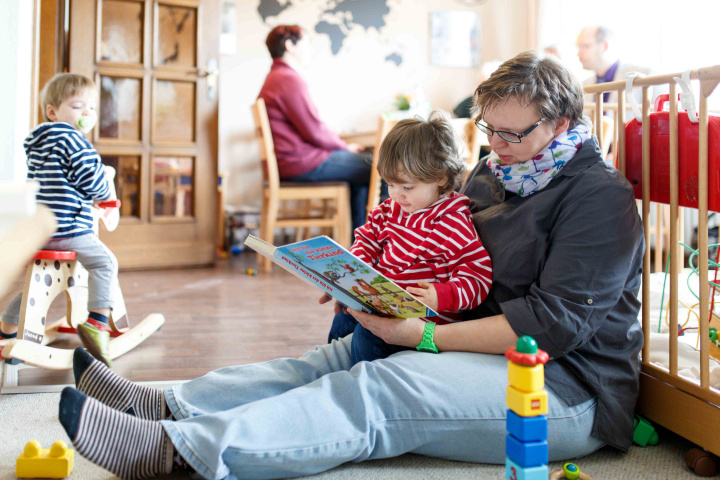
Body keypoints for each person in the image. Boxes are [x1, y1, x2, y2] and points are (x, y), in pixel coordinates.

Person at [57, 51, 644, 480]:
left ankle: (182, 450)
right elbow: (432, 233)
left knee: (379, 386)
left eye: (512, 133)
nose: (497, 146)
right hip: (476, 344)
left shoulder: (597, 196)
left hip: (564, 388)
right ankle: (164, 404)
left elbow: (553, 324)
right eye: (489, 129)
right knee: (334, 358)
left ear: (561, 125)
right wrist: (362, 282)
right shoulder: (497, 171)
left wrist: (430, 337)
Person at [324, 111, 492, 364]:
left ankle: (362, 386)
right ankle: (334, 371)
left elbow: (478, 277)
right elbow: (366, 242)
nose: (396, 195)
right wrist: (349, 279)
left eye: (407, 187)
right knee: (344, 317)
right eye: (390, 185)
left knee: (367, 339)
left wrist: (440, 295)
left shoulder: (453, 223)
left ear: (441, 178)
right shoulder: (388, 211)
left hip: (420, 327)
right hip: (383, 306)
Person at [0, 73, 117, 367]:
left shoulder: (36, 142)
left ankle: (7, 329)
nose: (87, 113)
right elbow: (93, 179)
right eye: (78, 106)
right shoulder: (73, 140)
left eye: (91, 107)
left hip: (41, 231)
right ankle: (98, 322)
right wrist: (105, 195)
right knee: (105, 262)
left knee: (36, 282)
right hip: (70, 228)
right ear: (53, 111)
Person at [257, 25, 372, 231]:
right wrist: (344, 146)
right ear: (290, 45)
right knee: (376, 166)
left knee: (363, 170)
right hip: (301, 162)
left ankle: (362, 245)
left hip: (292, 161)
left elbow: (311, 128)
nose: (310, 50)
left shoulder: (275, 77)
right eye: (306, 44)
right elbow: (314, 130)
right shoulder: (287, 79)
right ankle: (377, 244)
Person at [576, 25, 653, 106]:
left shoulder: (646, 75)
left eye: (583, 46)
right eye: (578, 48)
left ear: (605, 46)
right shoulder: (583, 85)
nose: (578, 53)